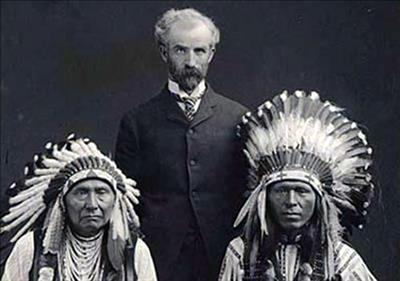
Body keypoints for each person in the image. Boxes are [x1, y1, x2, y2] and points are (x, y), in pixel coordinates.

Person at [115, 8, 248, 281]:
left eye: (199, 51)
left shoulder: (238, 117)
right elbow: (125, 203)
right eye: (180, 50)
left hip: (222, 258)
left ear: (211, 53)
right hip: (159, 260)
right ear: (164, 52)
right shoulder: (137, 122)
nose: (190, 61)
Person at [219, 90, 377, 280]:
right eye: (281, 190)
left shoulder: (341, 261)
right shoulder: (240, 255)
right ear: (264, 197)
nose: (291, 201)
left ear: (319, 200)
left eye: (301, 191)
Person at [1, 134, 157, 281]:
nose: (92, 204)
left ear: (115, 201)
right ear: (62, 202)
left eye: (101, 192)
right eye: (81, 193)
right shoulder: (30, 248)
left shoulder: (135, 252)